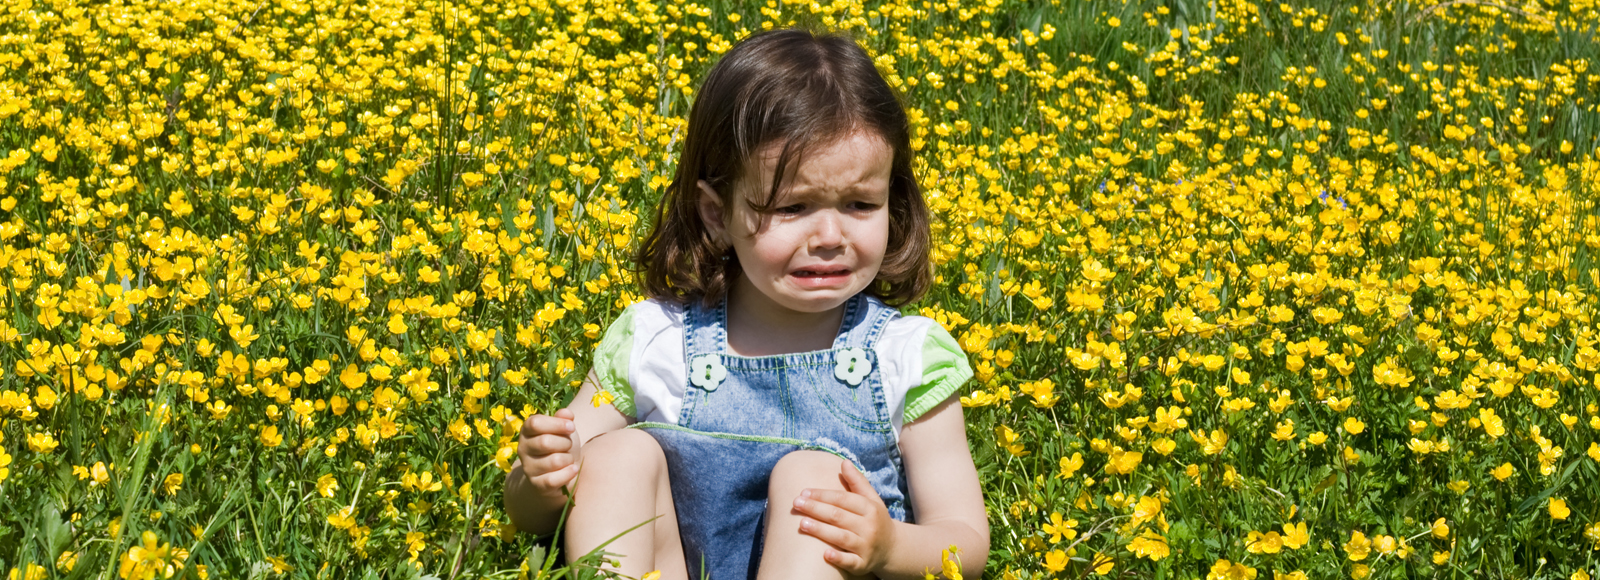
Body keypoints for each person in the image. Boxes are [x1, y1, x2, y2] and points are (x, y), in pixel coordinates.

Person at [503, 27, 989, 580]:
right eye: (792, 207)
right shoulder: (656, 343)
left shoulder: (904, 356)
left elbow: (965, 544)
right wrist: (540, 478)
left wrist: (889, 546)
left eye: (860, 203)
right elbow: (531, 513)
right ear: (717, 214)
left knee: (816, 479)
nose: (829, 234)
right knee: (612, 458)